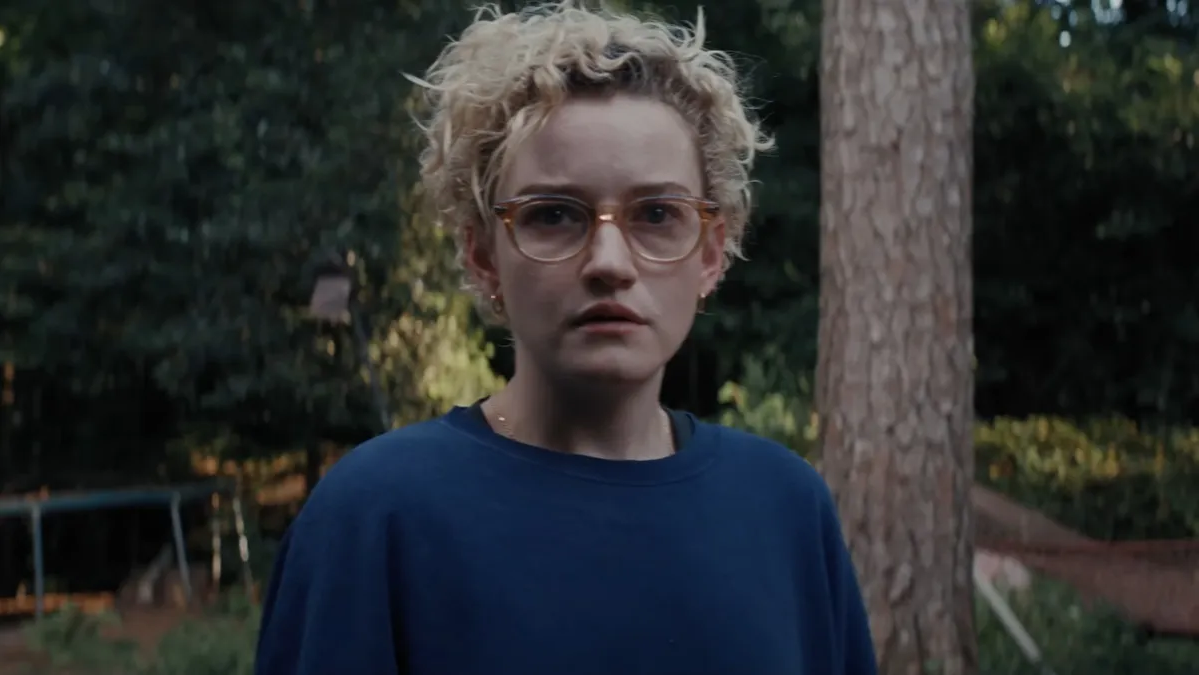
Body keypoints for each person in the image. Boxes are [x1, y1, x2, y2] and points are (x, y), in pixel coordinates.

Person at [255, 2, 877, 674]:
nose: (609, 261)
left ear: (709, 253)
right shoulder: (375, 518)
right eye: (554, 214)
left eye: (657, 214)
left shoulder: (785, 510)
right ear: (482, 254)